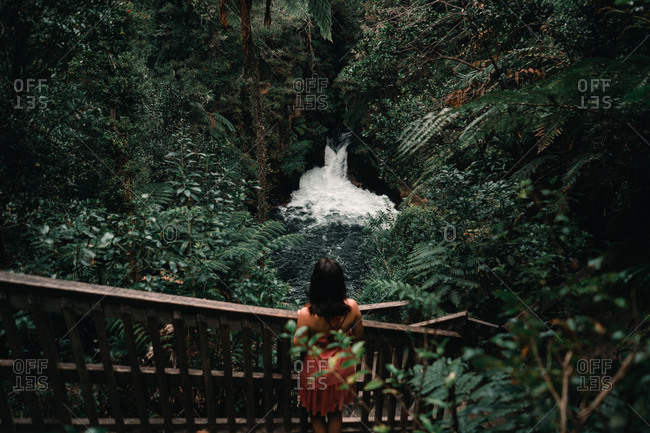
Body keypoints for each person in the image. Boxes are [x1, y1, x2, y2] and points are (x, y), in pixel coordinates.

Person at [294, 258, 364, 433]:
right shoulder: (353, 307)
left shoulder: (306, 313)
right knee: (335, 413)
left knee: (315, 413)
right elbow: (358, 336)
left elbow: (298, 344)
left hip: (315, 371)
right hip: (341, 370)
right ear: (340, 282)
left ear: (315, 283)